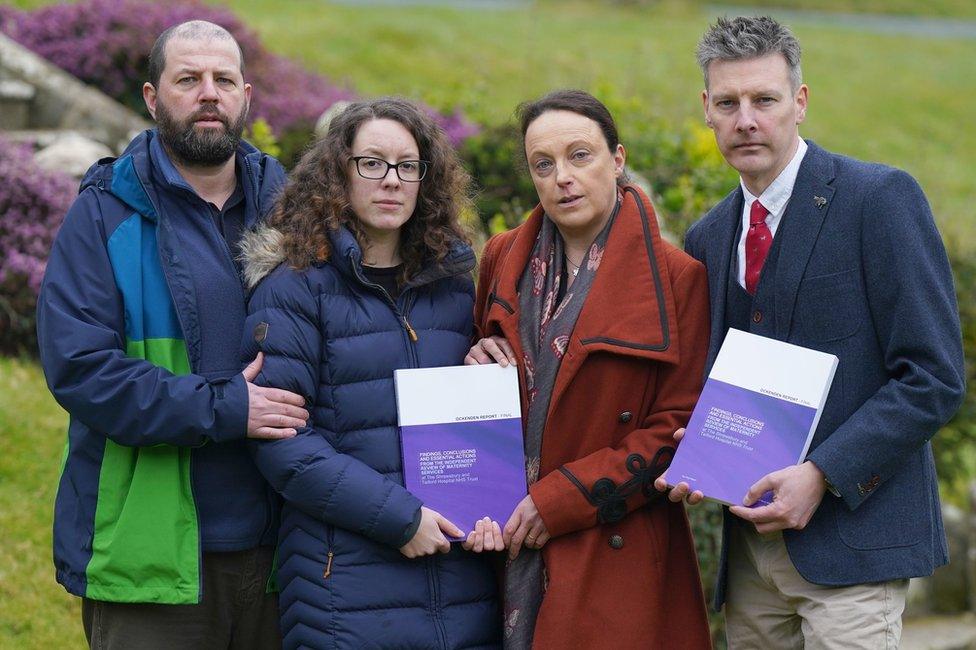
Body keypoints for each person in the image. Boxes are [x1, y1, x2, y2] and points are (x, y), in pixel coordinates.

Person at [666, 15, 965, 648]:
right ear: (707, 112)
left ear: (799, 103)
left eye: (764, 99)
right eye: (729, 102)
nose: (747, 119)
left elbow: (933, 378)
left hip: (854, 545)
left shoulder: (878, 199)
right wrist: (694, 449)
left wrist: (823, 473)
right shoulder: (709, 237)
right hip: (749, 558)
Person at [36, 20, 308, 649]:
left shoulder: (296, 212)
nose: (208, 93)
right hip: (151, 557)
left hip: (285, 554)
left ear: (246, 97)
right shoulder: (105, 213)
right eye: (188, 79)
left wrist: (476, 341)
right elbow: (81, 368)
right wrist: (223, 406)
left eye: (224, 80)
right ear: (154, 99)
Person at [238, 97, 500, 650]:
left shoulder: (455, 287)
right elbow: (281, 442)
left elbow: (480, 427)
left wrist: (488, 364)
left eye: (408, 166)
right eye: (372, 163)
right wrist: (397, 519)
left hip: (461, 588)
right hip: (345, 588)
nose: (392, 180)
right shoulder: (294, 289)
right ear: (340, 172)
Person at [464, 89, 712, 649]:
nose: (563, 179)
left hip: (611, 540)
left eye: (581, 156)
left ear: (617, 160)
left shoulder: (677, 277)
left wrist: (558, 503)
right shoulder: (502, 257)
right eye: (543, 165)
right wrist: (474, 356)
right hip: (502, 539)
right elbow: (484, 373)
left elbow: (679, 430)